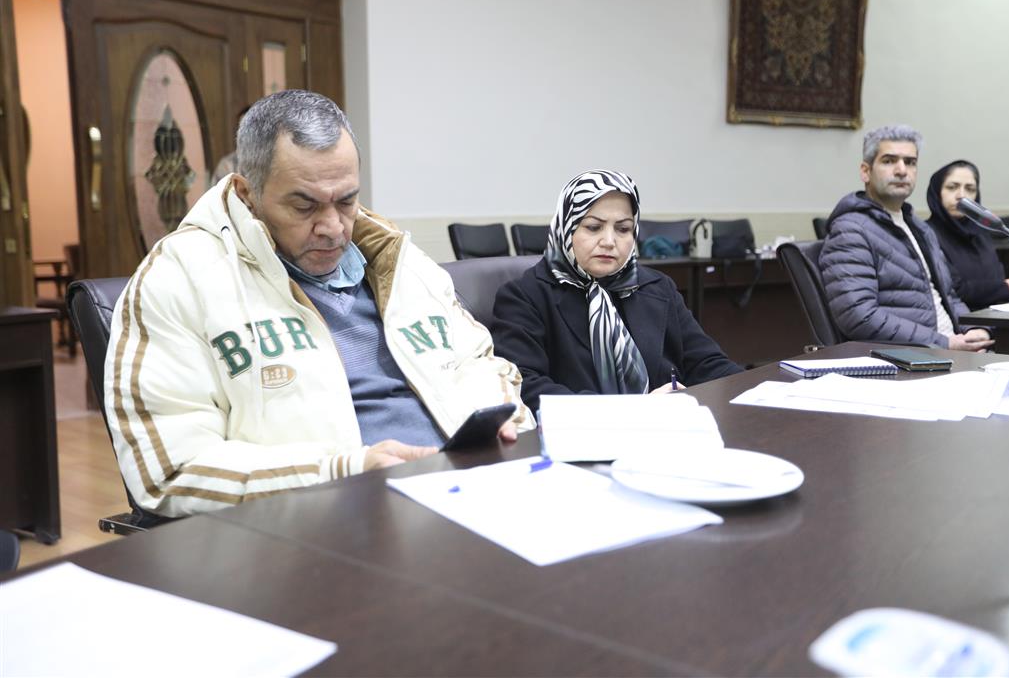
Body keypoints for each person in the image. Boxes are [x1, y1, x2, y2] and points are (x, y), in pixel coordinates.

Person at [104, 90, 533, 517]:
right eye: (303, 206)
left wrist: (500, 424)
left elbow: (478, 362)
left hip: (467, 493)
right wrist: (342, 472)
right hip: (322, 519)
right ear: (246, 192)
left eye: (346, 201)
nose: (333, 228)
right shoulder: (179, 280)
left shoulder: (398, 261)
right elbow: (172, 470)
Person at [490, 169, 743, 413]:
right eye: (593, 227)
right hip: (582, 435)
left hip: (666, 430)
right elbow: (524, 386)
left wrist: (753, 390)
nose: (609, 241)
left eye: (623, 229)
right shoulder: (524, 296)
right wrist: (631, 411)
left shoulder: (656, 287)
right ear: (566, 227)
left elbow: (706, 362)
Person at [818, 125, 994, 351]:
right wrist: (945, 343)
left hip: (950, 348)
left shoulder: (920, 228)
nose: (902, 170)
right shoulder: (850, 230)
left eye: (910, 162)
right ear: (865, 171)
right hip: (913, 357)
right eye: (889, 161)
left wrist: (974, 329)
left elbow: (949, 296)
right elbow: (859, 315)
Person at [925, 160, 1009, 311]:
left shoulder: (981, 233)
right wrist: (1007, 287)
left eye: (970, 189)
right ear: (937, 192)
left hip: (998, 315)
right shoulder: (926, 233)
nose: (961, 196)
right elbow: (954, 290)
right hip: (962, 320)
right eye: (952, 187)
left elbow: (997, 277)